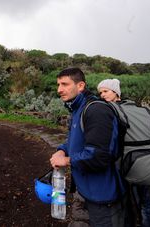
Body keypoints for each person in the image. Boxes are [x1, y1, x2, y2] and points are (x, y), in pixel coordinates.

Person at [50, 68, 126, 227]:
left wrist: (67, 160)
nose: (59, 90)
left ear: (80, 86)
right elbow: (75, 141)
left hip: (104, 195)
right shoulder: (77, 109)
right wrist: (62, 150)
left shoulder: (96, 110)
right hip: (88, 190)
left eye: (64, 84)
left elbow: (99, 156)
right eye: (58, 85)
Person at [97, 78, 150, 227]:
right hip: (143, 159)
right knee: (145, 200)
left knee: (134, 200)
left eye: (105, 91)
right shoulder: (134, 107)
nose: (102, 95)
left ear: (116, 92)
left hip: (126, 162)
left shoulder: (112, 111)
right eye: (100, 93)